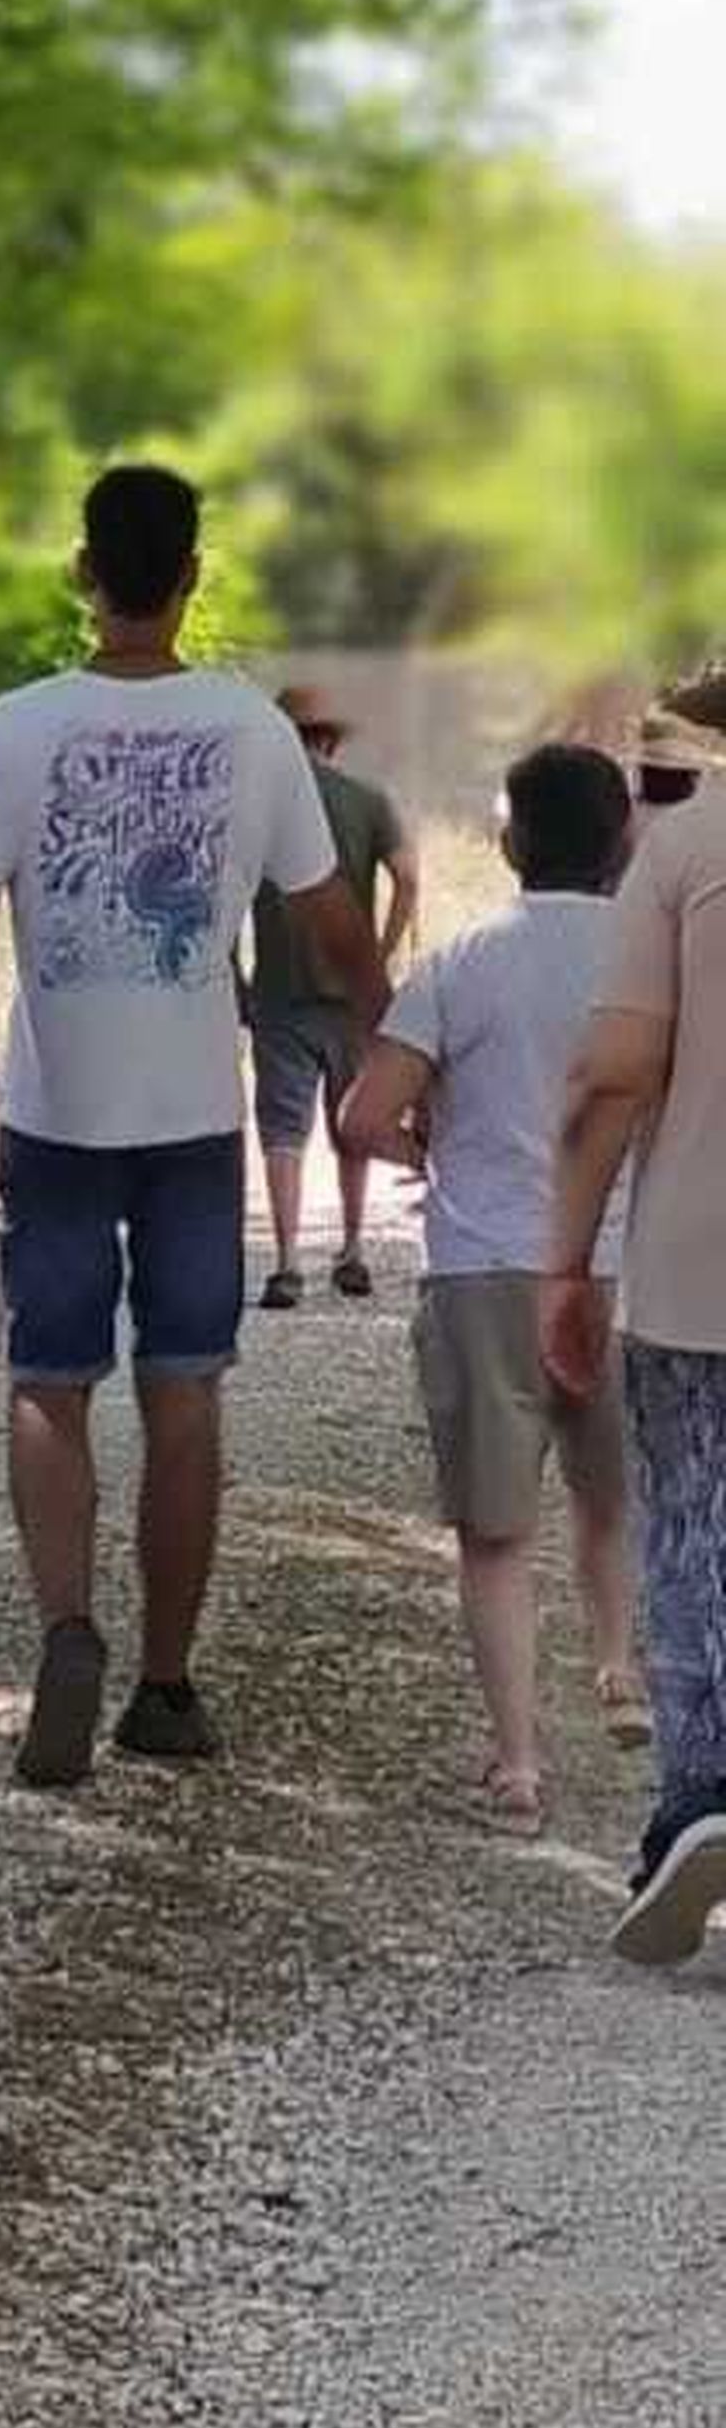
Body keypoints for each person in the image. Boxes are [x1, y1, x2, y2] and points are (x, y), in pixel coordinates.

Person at [0, 465, 386, 1791]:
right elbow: (332, 921)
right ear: (189, 575)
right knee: (183, 1389)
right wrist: (392, 1054)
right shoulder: (252, 732)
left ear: (87, 573)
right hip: (193, 1117)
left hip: (58, 1110)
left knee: (47, 1381)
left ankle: (67, 1626)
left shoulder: (14, 726)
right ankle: (166, 1684)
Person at [340, 745, 646, 1832]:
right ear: (622, 841)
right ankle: (619, 1665)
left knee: (495, 1533)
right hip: (626, 1264)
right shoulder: (658, 961)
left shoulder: (460, 963)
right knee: (618, 1495)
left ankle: (518, 1761)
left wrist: (429, 1147)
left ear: (511, 843)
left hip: (485, 1264)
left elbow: (363, 1117)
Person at [542, 666, 726, 1965]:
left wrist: (564, 1258)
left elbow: (617, 1072)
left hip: (700, 1257)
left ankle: (701, 1795)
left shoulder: (689, 848)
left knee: (694, 1527)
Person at [248, 685, 419, 1311]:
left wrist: (235, 975)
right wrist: (382, 949)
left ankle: (289, 1264)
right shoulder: (371, 801)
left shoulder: (260, 808)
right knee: (352, 1123)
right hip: (352, 994)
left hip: (278, 991)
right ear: (332, 739)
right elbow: (408, 878)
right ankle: (351, 1252)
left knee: (282, 1131)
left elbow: (223, 894)